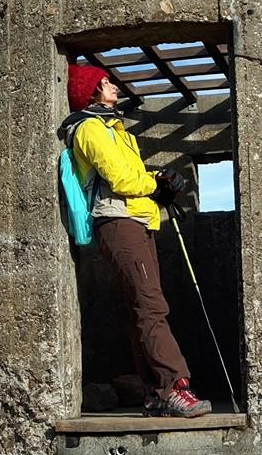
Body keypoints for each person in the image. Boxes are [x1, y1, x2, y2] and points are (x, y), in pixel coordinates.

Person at [61, 61, 209, 418]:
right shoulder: (90, 130)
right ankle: (175, 387)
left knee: (140, 308)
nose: (113, 86)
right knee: (150, 306)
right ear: (92, 91)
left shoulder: (114, 130)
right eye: (105, 82)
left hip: (134, 221)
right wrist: (156, 184)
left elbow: (133, 175)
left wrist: (160, 181)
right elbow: (123, 179)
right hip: (119, 222)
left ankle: (155, 394)